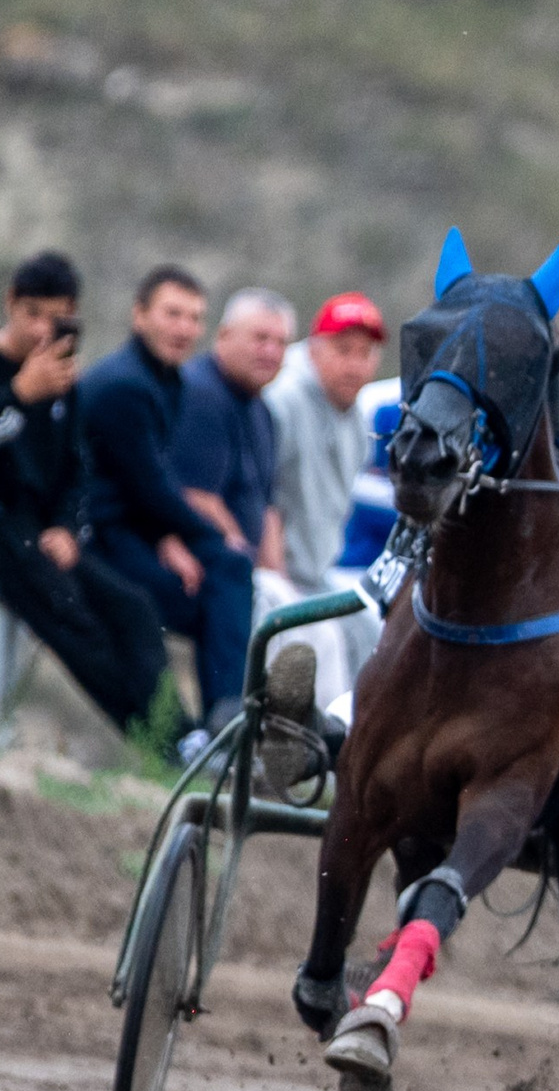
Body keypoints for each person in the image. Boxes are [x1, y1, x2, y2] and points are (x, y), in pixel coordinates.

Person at [0, 251, 177, 738]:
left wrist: (68, 526)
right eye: (33, 314)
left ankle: (182, 733)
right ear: (11, 305)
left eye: (57, 317)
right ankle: (155, 739)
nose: (44, 330)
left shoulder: (64, 378)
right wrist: (19, 397)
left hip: (37, 528)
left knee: (134, 609)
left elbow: (77, 466)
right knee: (69, 614)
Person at [79, 265, 254, 746]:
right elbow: (148, 488)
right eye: (172, 314)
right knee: (226, 575)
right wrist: (207, 535)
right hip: (100, 538)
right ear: (140, 316)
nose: (184, 329)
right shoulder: (125, 386)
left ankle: (217, 727)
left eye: (194, 318)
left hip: (135, 529)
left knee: (226, 579)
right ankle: (212, 730)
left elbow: (149, 487)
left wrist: (172, 538)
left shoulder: (164, 380)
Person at [261, 292, 389, 710]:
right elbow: (266, 501)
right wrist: (282, 584)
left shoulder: (355, 417)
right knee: (323, 650)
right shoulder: (283, 401)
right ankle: (315, 754)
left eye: (365, 353)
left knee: (373, 637)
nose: (355, 363)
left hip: (319, 576)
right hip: (276, 575)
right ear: (314, 349)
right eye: (343, 349)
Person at [172, 286, 292, 587]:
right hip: (203, 565)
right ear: (224, 335)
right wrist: (249, 571)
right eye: (260, 338)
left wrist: (279, 582)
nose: (271, 352)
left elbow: (267, 510)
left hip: (245, 568)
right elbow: (197, 497)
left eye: (281, 343)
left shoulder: (263, 410)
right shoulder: (198, 393)